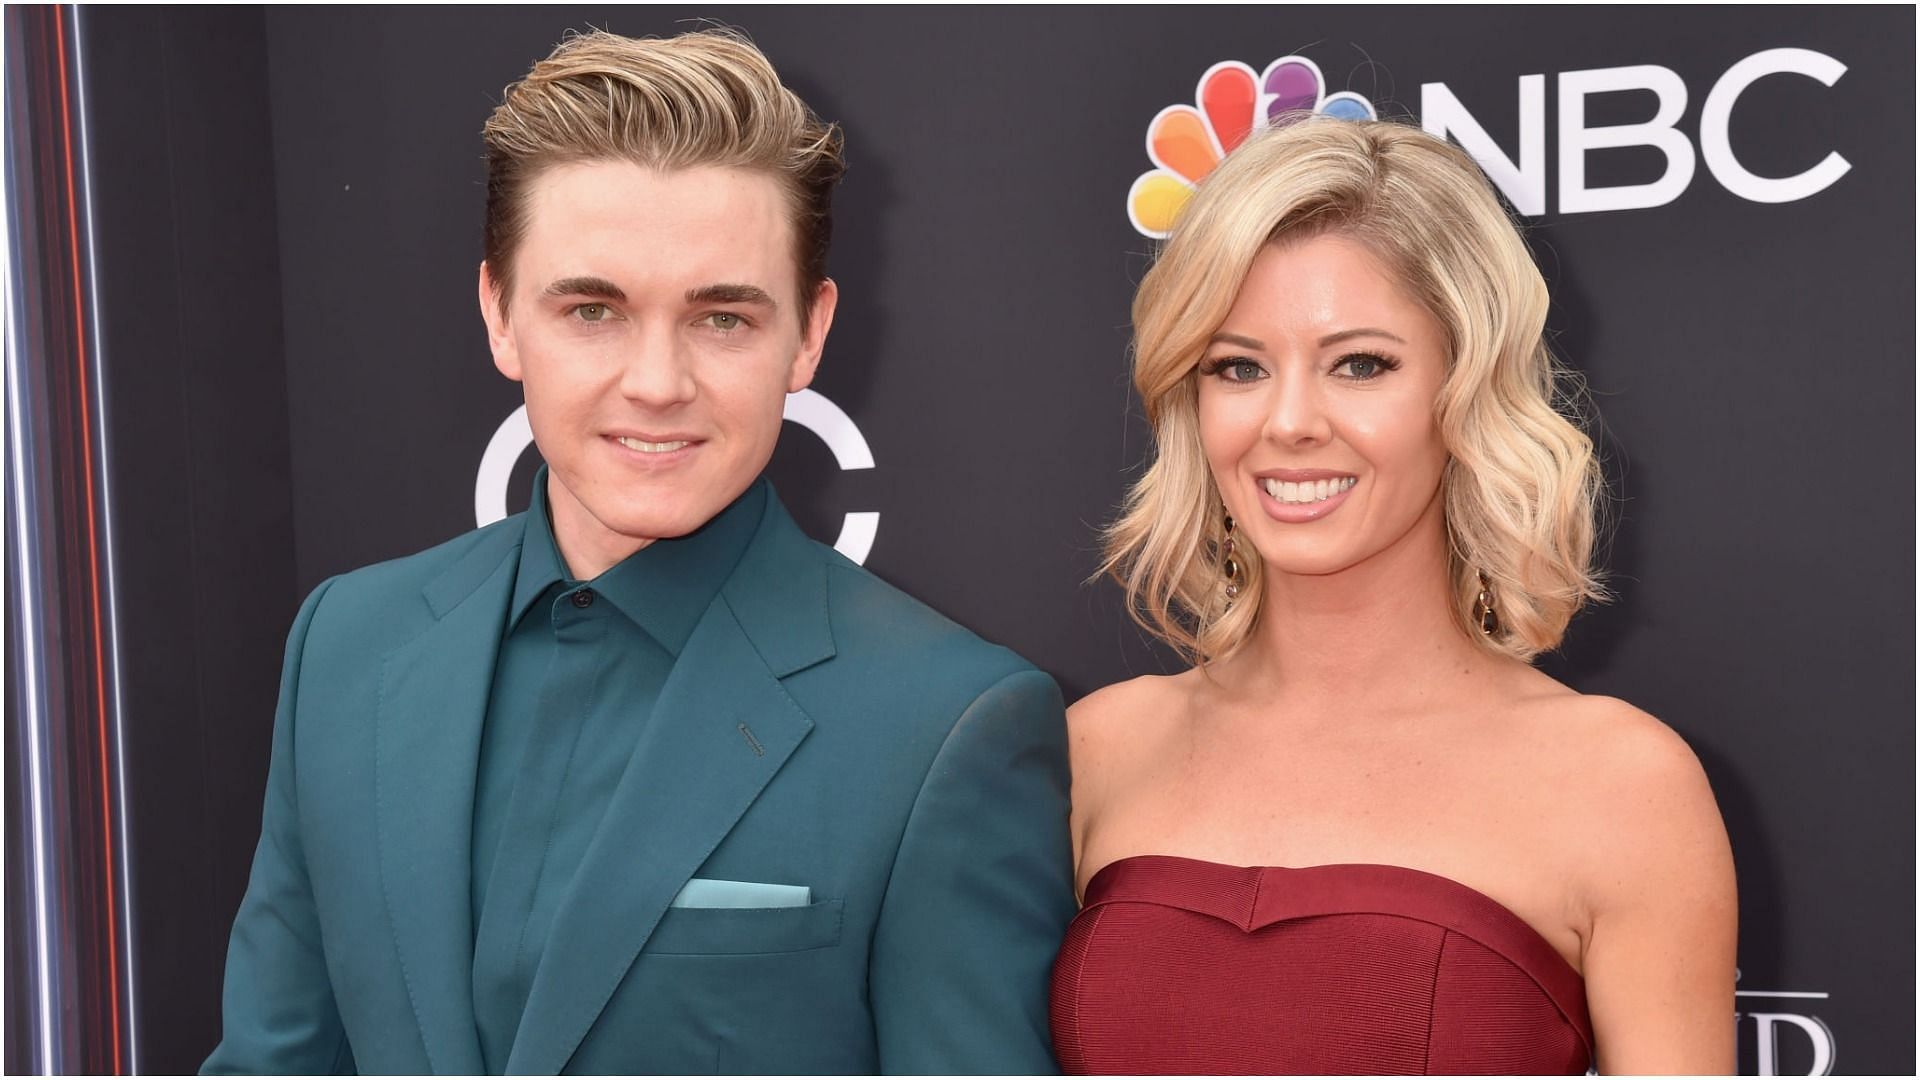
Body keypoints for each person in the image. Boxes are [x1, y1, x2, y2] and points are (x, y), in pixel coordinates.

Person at [204, 29, 1074, 1075]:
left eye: (720, 318)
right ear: (499, 314)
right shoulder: (346, 648)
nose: (657, 381)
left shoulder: (948, 726)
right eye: (594, 310)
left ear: (808, 333)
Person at [1053, 118, 1736, 1075]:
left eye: (1360, 364)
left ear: (1465, 390)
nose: (1289, 422)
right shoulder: (1096, 751)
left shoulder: (1621, 787)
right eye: (1237, 367)